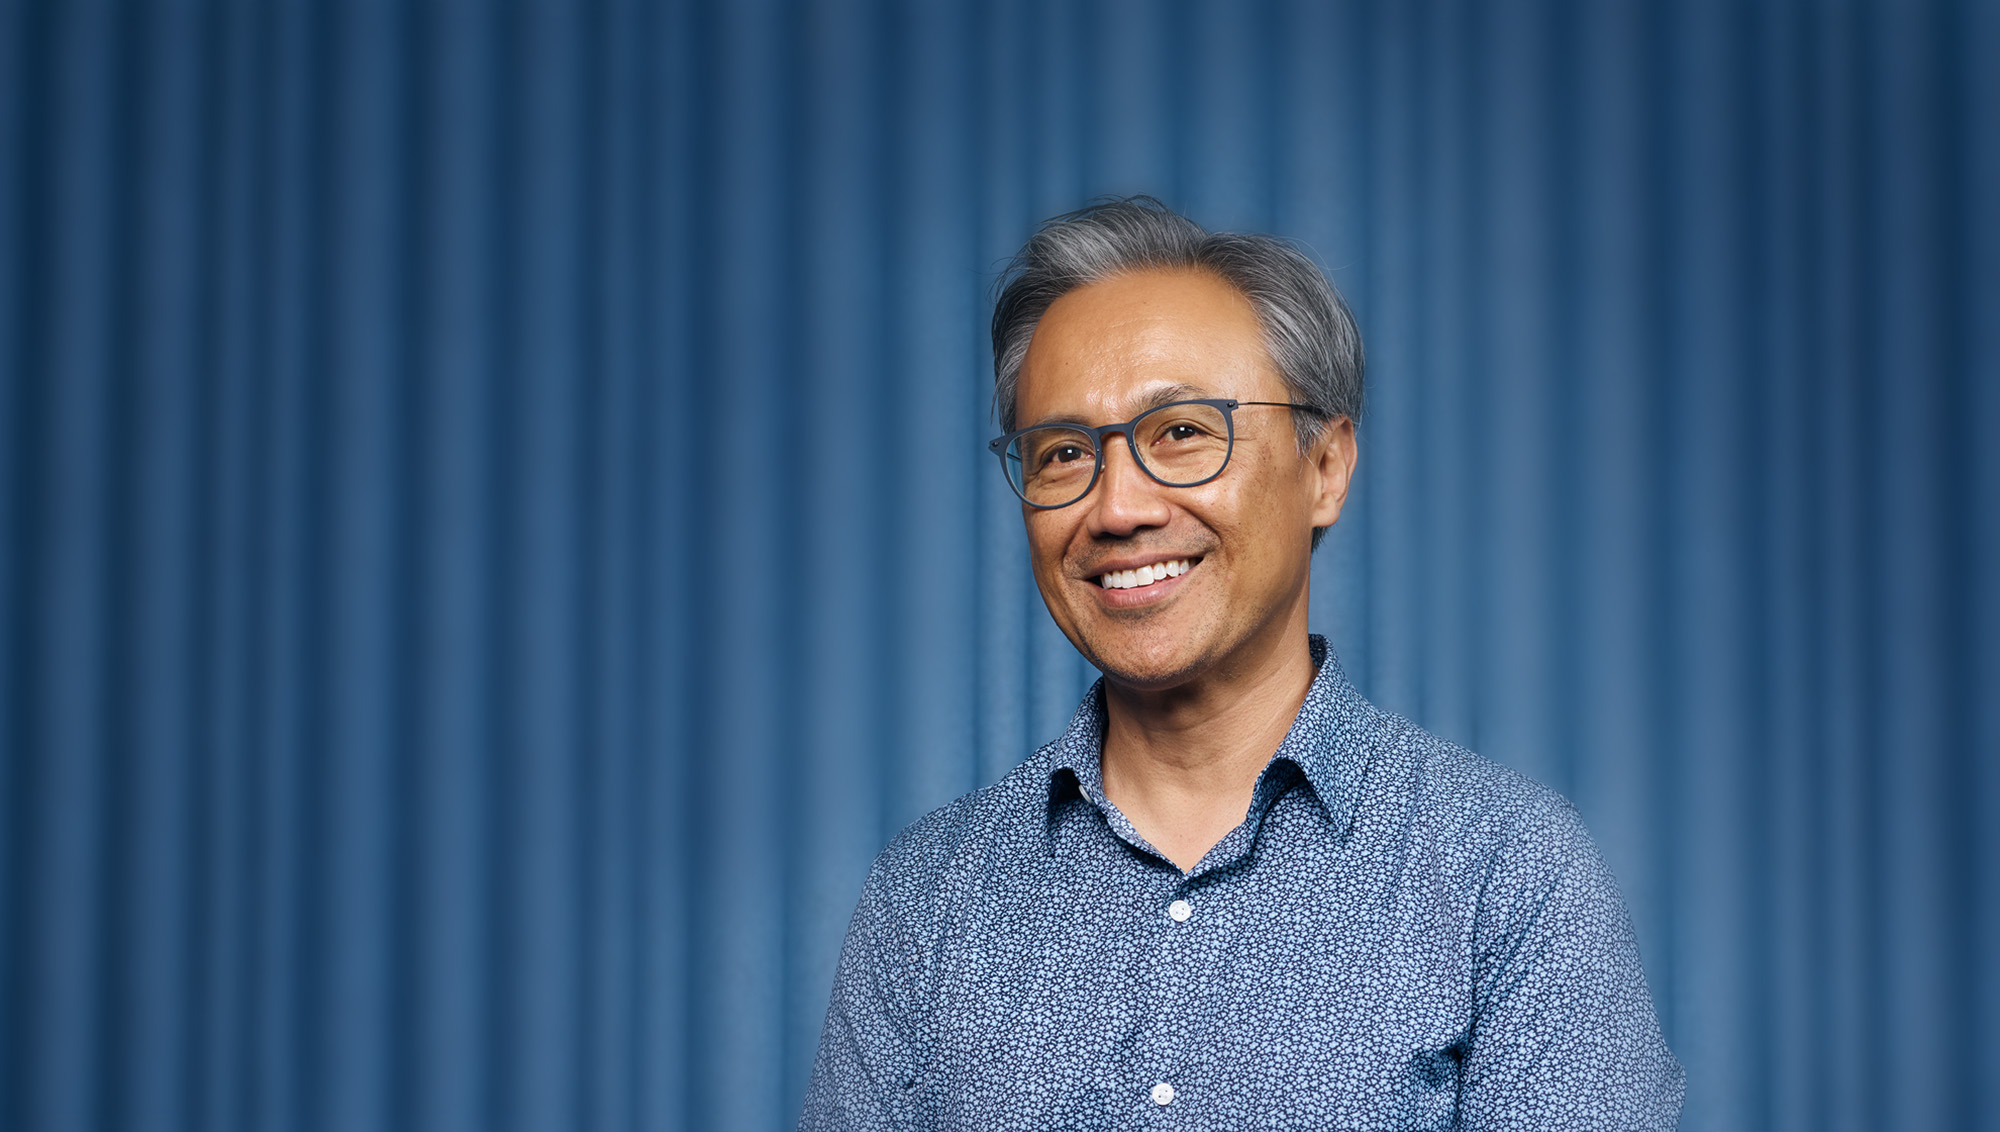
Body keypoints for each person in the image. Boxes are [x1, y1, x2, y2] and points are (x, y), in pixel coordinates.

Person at [799, 198, 1684, 1131]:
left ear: (1326, 467)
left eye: (1181, 432)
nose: (1118, 508)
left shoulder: (1507, 872)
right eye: (1063, 453)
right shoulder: (926, 897)